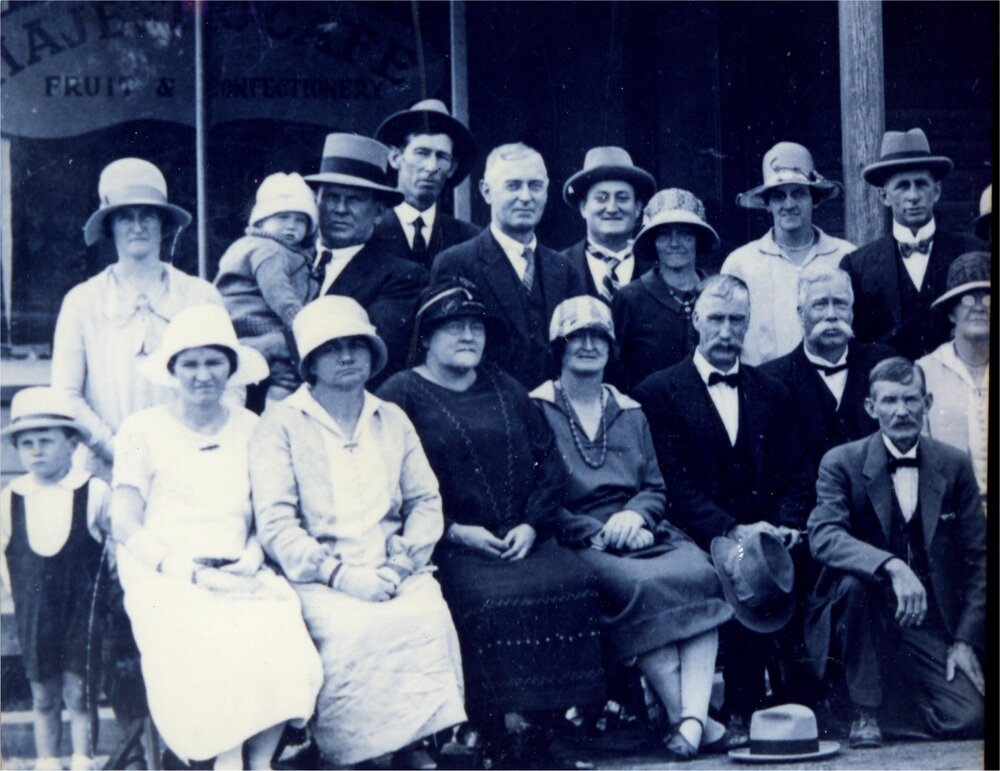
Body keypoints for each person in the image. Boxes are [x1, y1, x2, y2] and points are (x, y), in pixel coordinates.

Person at [378, 279, 605, 767]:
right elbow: (388, 482)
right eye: (454, 326)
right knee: (486, 599)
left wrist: (530, 525)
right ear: (426, 335)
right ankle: (494, 730)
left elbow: (550, 466)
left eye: (476, 326)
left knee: (575, 580)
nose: (468, 336)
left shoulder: (506, 387)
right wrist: (454, 531)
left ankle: (546, 729)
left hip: (524, 538)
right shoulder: (400, 393)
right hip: (452, 544)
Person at [250, 296, 466, 769]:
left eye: (357, 345)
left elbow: (426, 502)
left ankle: (412, 744)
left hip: (392, 567)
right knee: (352, 633)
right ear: (311, 361)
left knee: (424, 616)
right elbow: (277, 524)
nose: (347, 357)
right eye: (333, 348)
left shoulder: (391, 418)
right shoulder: (281, 424)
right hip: (320, 576)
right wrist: (341, 576)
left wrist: (403, 560)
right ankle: (354, 753)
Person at [111, 305, 322, 769]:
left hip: (240, 565)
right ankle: (228, 758)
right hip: (164, 574)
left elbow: (267, 509)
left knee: (279, 633)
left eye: (213, 362)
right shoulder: (142, 429)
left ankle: (261, 759)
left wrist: (251, 554)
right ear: (172, 370)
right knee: (210, 639)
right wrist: (182, 570)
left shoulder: (251, 426)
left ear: (230, 367)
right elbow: (124, 520)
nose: (203, 375)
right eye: (190, 363)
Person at [530, 296, 734, 759]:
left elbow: (655, 486)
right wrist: (595, 531)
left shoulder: (631, 410)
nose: (587, 345)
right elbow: (539, 496)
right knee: (643, 585)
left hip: (643, 530)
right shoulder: (536, 409)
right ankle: (700, 722)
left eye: (597, 336)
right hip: (579, 538)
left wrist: (637, 516)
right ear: (557, 348)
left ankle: (689, 724)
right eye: (575, 337)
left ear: (611, 346)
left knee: (700, 573)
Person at [632, 274, 814, 745]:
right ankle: (725, 709)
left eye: (737, 320)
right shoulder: (658, 392)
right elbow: (673, 484)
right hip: (693, 530)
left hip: (766, 532)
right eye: (716, 318)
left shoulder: (771, 390)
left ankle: (787, 702)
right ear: (695, 320)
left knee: (777, 566)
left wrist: (788, 524)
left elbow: (797, 471)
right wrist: (732, 529)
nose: (726, 330)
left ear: (749, 323)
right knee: (731, 569)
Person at [805, 358, 985, 747]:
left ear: (928, 402)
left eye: (910, 399)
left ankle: (880, 713)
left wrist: (966, 641)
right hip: (859, 612)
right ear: (871, 408)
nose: (901, 411)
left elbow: (981, 559)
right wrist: (891, 566)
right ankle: (864, 711)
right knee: (852, 584)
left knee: (969, 718)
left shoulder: (953, 465)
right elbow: (823, 534)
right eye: (889, 401)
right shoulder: (842, 463)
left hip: (925, 620)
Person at [52, 157, 224, 481]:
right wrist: (115, 449)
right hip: (106, 470)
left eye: (148, 216)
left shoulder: (201, 296)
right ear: (110, 227)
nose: (137, 226)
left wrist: (200, 445)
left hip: (189, 468)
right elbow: (66, 395)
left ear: (163, 224)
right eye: (125, 217)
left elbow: (230, 385)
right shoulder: (82, 302)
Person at [1, 388, 110, 771]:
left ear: (72, 443)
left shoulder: (93, 491)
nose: (36, 451)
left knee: (79, 694)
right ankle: (47, 761)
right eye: (26, 443)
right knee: (43, 695)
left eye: (46, 441)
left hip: (82, 611)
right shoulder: (10, 497)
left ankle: (83, 760)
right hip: (37, 614)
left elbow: (113, 549)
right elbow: (5, 556)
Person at [431, 143, 587, 389]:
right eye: (513, 186)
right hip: (488, 410)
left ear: (546, 192)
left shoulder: (563, 268)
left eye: (535, 186)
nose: (525, 197)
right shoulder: (456, 263)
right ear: (486, 191)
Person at [841, 128, 988, 360]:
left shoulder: (975, 252)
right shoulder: (857, 266)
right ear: (884, 196)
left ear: (937, 190)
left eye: (921, 184)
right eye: (902, 186)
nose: (913, 195)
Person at [304, 133, 429, 381]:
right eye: (330, 197)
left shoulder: (402, 277)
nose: (340, 209)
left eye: (354, 200)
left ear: (379, 213)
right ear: (315, 202)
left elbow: (365, 350)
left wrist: (276, 343)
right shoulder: (289, 258)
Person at [722, 141, 854, 365]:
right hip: (763, 390)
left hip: (832, 386)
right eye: (779, 196)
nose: (789, 204)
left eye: (799, 194)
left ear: (815, 200)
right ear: (767, 205)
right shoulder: (741, 264)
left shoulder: (845, 256)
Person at [761, 264, 895, 474]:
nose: (831, 315)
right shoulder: (770, 380)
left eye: (840, 304)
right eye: (820, 304)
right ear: (800, 314)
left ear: (852, 312)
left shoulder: (885, 363)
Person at [214, 172, 319, 407]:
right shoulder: (268, 250)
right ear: (261, 220)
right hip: (254, 322)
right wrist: (302, 326)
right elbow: (279, 295)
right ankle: (275, 414)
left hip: (253, 329)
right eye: (283, 217)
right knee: (287, 373)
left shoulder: (286, 252)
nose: (291, 226)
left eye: (300, 220)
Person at [612, 189, 718, 390]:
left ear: (698, 239)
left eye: (685, 234)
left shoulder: (717, 293)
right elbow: (616, 371)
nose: (675, 243)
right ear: (653, 242)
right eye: (664, 235)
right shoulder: (630, 298)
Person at [374, 99, 480, 267]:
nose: (432, 167)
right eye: (422, 153)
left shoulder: (470, 239)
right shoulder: (369, 230)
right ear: (395, 158)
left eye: (442, 157)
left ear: (451, 168)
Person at [917, 252, 990, 498]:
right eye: (967, 299)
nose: (979, 307)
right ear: (951, 313)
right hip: (951, 514)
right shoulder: (925, 370)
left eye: (989, 298)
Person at [559, 146, 656, 301]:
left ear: (637, 208)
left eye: (622, 198)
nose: (612, 209)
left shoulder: (657, 270)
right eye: (601, 198)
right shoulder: (557, 268)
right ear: (584, 207)